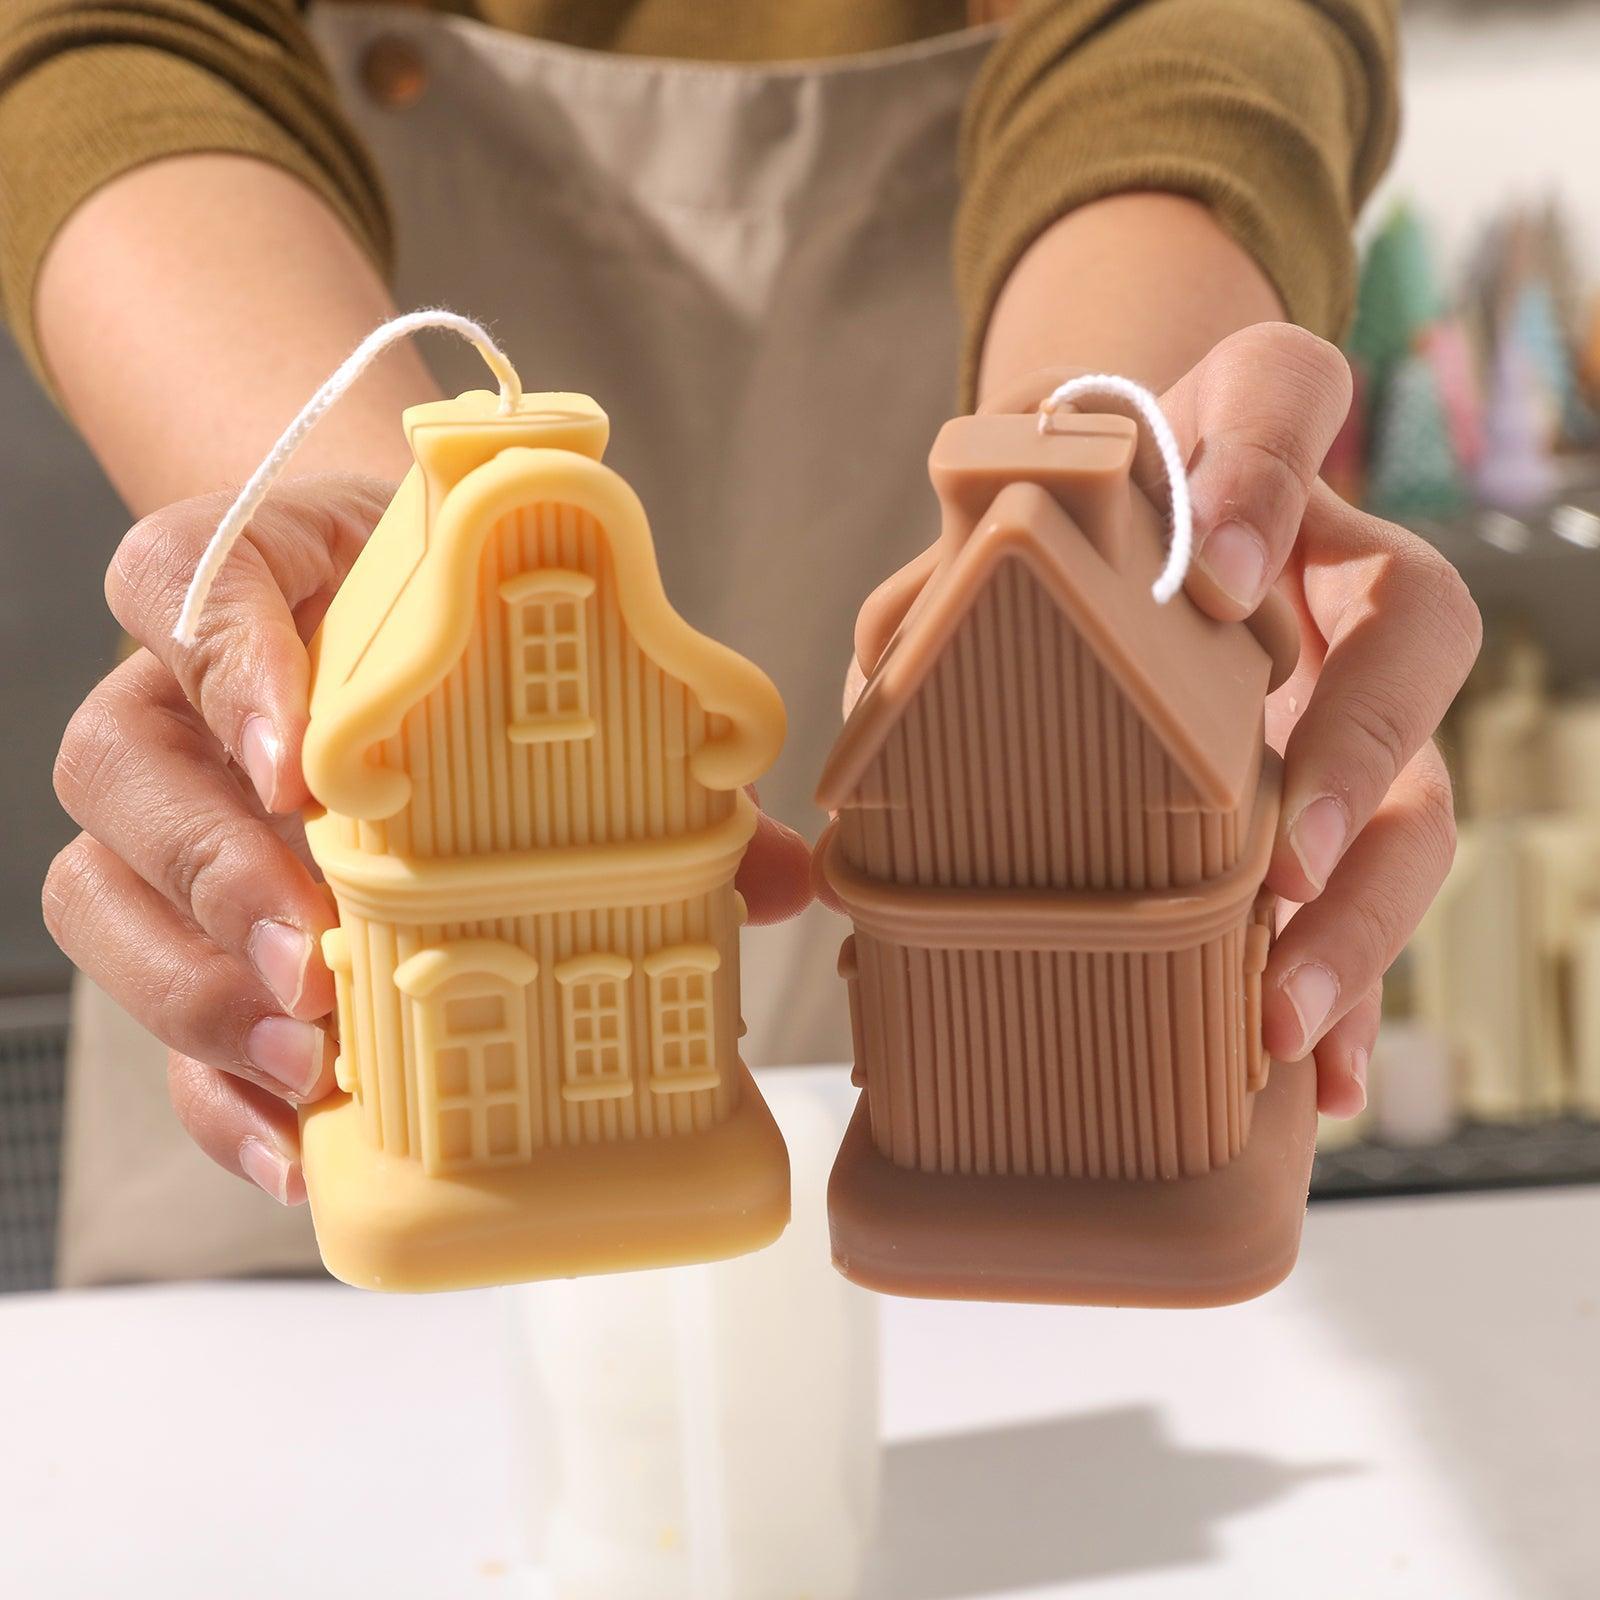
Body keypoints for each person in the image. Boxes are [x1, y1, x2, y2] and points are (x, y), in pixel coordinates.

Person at [5, 0, 1478, 1279]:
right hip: (261, 372)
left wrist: (1120, 502)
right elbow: (111, 39)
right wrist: (353, 577)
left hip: (963, 454)